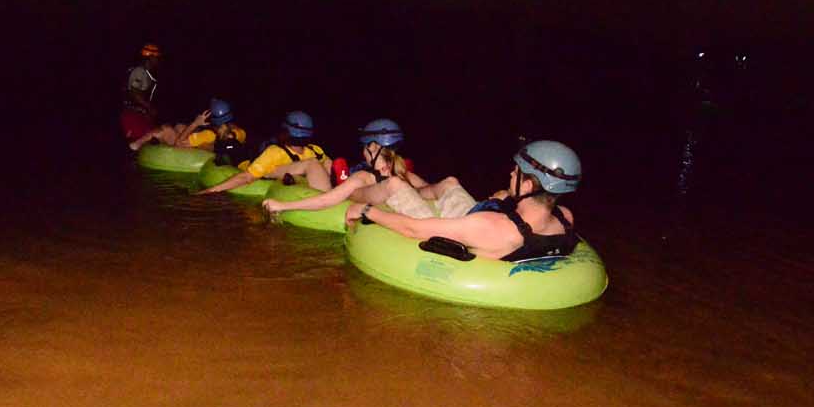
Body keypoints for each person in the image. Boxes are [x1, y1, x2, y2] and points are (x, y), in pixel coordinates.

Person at [349, 139, 583, 261]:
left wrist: (368, 211)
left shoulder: (491, 227)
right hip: (481, 222)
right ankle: (419, 188)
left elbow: (412, 229)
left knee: (397, 190)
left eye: (517, 171)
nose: (511, 173)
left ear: (528, 185)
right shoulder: (565, 217)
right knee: (451, 183)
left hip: (471, 232)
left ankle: (382, 186)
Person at [262, 118, 428, 218]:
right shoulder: (408, 176)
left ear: (373, 148)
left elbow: (325, 200)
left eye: (364, 148)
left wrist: (283, 206)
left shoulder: (363, 177)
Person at [194, 110, 327, 195]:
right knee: (234, 150)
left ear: (285, 131)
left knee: (237, 149)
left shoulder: (275, 152)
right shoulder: (316, 150)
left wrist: (211, 190)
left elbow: (246, 177)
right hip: (251, 162)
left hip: (256, 163)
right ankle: (224, 156)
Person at [127, 98, 247, 152]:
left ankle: (136, 144)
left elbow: (178, 144)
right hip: (209, 146)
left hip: (193, 151)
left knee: (166, 129)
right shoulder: (240, 132)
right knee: (180, 127)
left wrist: (195, 123)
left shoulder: (208, 135)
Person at [120, 43, 161, 142]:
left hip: (141, 116)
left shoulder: (148, 74)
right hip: (133, 116)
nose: (159, 60)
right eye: (157, 57)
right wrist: (149, 108)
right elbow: (134, 93)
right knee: (137, 144)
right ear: (150, 57)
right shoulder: (139, 72)